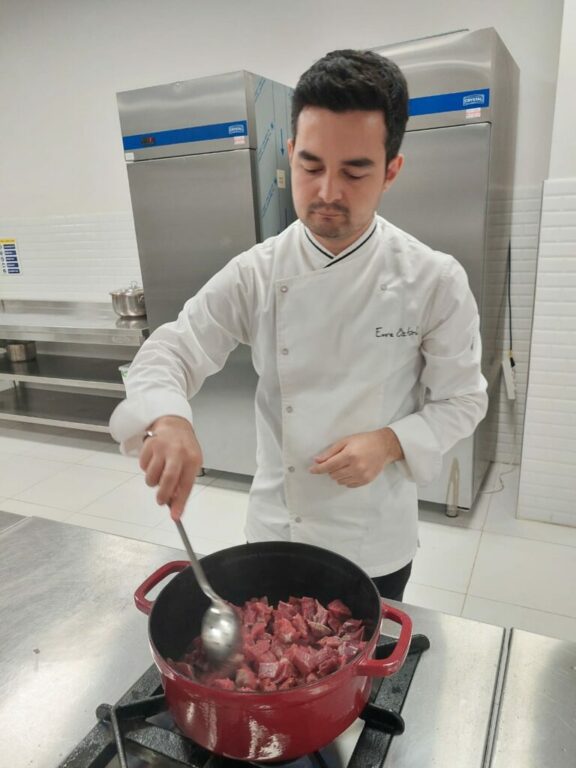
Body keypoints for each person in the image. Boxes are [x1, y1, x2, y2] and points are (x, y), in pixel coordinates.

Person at [110, 49, 488, 601]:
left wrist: (390, 442)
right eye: (311, 167)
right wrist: (167, 417)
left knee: (364, 652)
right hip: (278, 529)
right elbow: (174, 348)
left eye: (354, 171)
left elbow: (464, 400)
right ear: (290, 153)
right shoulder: (258, 272)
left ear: (391, 171)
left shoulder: (433, 279)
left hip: (375, 539)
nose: (328, 192)